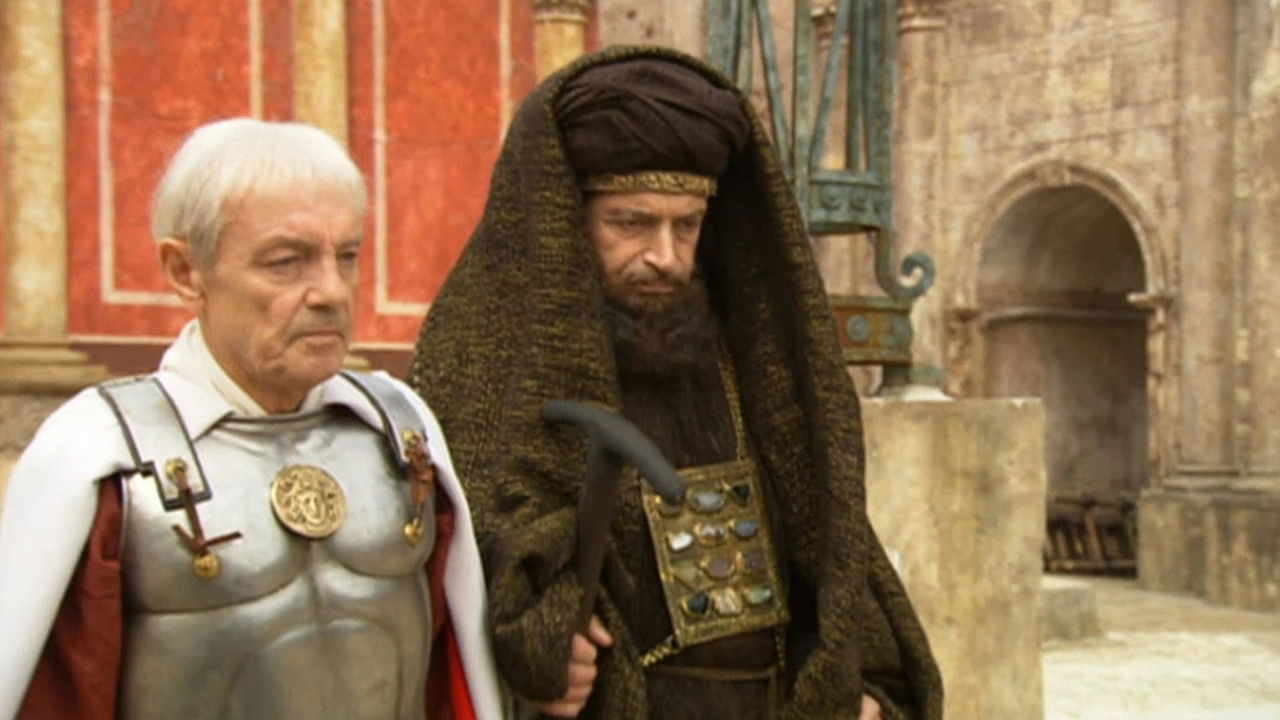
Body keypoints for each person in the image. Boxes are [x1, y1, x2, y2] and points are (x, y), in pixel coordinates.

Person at [409, 46, 943, 720]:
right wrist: (536, 652)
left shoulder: (750, 367)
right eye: (630, 223)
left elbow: (829, 559)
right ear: (567, 221)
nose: (664, 256)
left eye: (686, 225)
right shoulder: (486, 368)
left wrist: (857, 691)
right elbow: (462, 586)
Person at [0, 118, 509, 720]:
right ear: (185, 271)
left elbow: (457, 674)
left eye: (346, 256)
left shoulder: (401, 432)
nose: (332, 292)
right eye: (286, 262)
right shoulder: (100, 454)